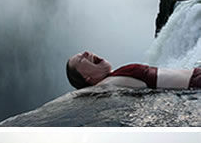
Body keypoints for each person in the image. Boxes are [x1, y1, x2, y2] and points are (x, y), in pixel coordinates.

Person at [66, 51, 201, 90]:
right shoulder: (107, 84)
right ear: (87, 78)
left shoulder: (113, 76)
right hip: (195, 83)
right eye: (80, 59)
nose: (85, 52)